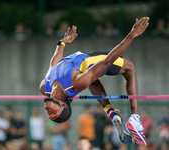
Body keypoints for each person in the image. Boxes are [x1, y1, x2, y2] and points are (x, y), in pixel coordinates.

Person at [39, 17, 150, 146]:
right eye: (54, 112)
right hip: (93, 61)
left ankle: (112, 113)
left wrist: (62, 43)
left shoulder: (44, 87)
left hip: (84, 73)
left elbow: (54, 63)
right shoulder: (75, 83)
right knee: (129, 68)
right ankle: (135, 117)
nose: (48, 110)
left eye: (49, 114)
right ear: (63, 105)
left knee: (90, 80)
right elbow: (107, 61)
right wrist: (132, 35)